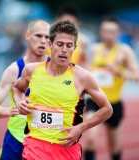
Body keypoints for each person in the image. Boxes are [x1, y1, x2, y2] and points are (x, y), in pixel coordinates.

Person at [12, 20, 113, 160]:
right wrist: (18, 102)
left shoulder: (83, 77)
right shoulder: (31, 71)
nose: (64, 49)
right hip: (34, 146)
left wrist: (81, 127)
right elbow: (17, 88)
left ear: (74, 48)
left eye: (69, 45)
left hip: (66, 149)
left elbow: (107, 109)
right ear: (50, 45)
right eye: (60, 44)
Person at [0, 19, 50, 160]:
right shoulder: (14, 70)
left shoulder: (58, 69)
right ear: (27, 36)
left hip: (45, 142)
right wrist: (8, 111)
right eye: (38, 36)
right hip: (16, 140)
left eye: (47, 37)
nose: (43, 41)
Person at [84, 15, 139, 160]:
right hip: (94, 101)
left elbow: (138, 77)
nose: (108, 35)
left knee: (113, 146)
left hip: (113, 104)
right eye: (105, 31)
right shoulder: (94, 49)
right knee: (90, 139)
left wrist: (118, 72)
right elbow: (87, 70)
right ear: (100, 31)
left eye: (112, 32)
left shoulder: (124, 51)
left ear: (118, 33)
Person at [55, 4, 89, 69]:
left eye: (72, 23)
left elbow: (86, 64)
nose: (68, 27)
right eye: (65, 22)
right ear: (57, 20)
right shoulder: (47, 38)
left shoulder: (82, 41)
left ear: (77, 23)